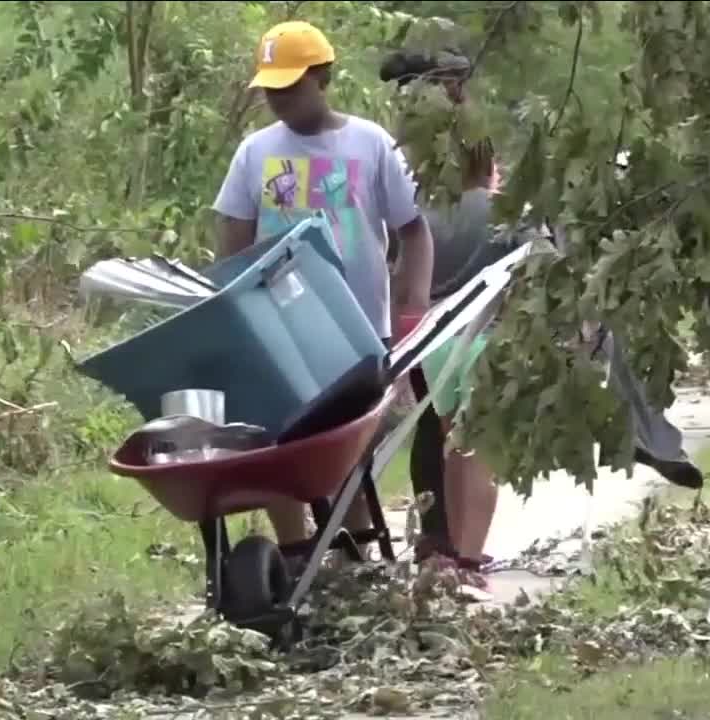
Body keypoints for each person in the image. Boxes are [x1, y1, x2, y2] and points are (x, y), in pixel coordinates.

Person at [212, 21, 435, 567]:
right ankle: (292, 551)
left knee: (345, 450)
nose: (278, 99)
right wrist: (231, 313)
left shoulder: (370, 142)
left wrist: (412, 310)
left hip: (356, 329)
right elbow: (233, 243)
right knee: (278, 442)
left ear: (324, 76)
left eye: (290, 86)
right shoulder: (255, 152)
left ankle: (353, 554)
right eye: (270, 89)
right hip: (278, 325)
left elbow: (413, 231)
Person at [381, 49, 503, 588]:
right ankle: (449, 547)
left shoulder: (426, 136)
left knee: (444, 431)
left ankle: (449, 548)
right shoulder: (432, 137)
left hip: (435, 305)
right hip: (443, 304)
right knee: (452, 435)